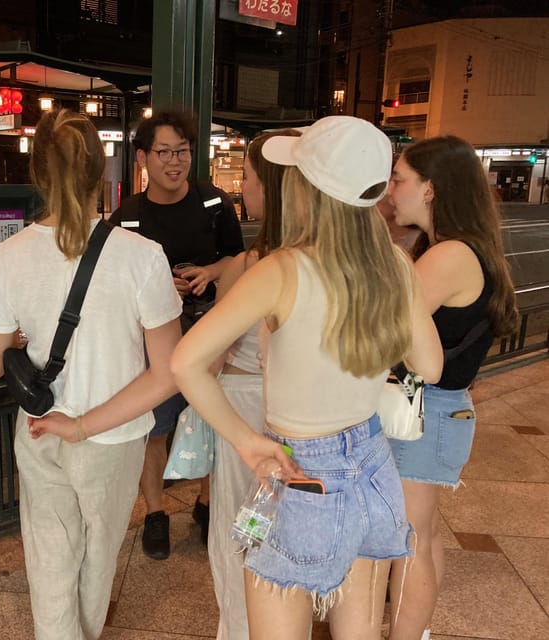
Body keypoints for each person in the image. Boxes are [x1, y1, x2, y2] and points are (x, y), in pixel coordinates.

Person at [171, 116, 443, 640]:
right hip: (372, 465)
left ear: (308, 189)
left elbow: (186, 362)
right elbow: (429, 366)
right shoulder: (395, 263)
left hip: (300, 475)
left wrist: (247, 442)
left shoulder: (282, 269)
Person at [0, 109, 182, 640]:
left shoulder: (6, 257)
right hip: (113, 437)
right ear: (103, 173)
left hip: (39, 429)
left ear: (37, 174)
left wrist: (24, 336)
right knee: (98, 556)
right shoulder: (144, 257)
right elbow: (168, 374)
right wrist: (86, 425)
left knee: (49, 554)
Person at [386, 136, 519, 640]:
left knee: (411, 540)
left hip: (426, 412)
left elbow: (387, 327)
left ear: (431, 190)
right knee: (423, 535)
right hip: (438, 412)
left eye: (400, 180)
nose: (391, 191)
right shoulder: (459, 247)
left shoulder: (450, 254)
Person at [108, 108, 244, 559]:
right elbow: (112, 281)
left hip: (209, 333)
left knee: (209, 420)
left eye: (182, 152)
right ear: (143, 157)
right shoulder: (127, 216)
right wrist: (156, 284)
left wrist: (209, 271)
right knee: (156, 428)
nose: (174, 161)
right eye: (164, 152)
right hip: (155, 342)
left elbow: (236, 258)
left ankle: (206, 503)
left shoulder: (214, 202)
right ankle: (155, 512)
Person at [207, 129, 299, 640]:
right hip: (303, 414)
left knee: (240, 526)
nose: (244, 186)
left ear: (273, 188)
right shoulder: (322, 264)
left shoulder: (249, 266)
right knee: (284, 526)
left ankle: (239, 628)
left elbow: (204, 357)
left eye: (248, 176)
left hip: (243, 408)